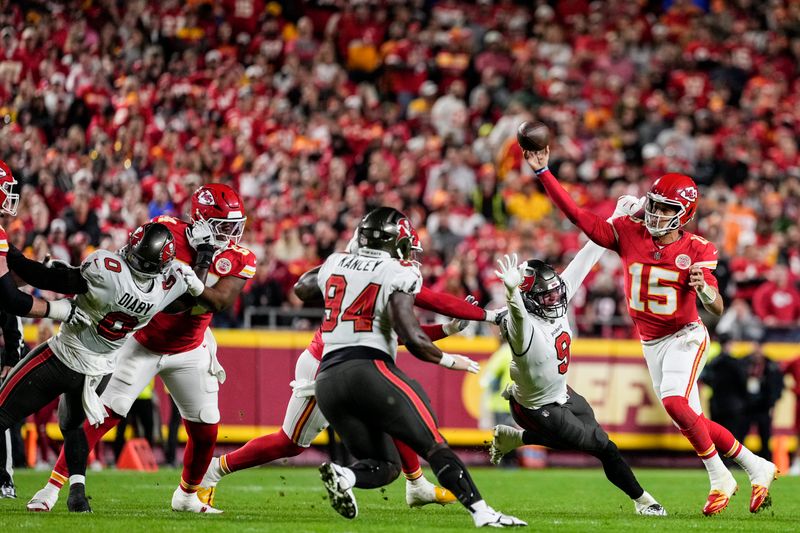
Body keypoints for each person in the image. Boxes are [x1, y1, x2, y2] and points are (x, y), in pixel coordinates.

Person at [527, 146, 776, 515]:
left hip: (685, 336)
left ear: (685, 215)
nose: (657, 214)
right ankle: (758, 466)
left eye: (666, 209)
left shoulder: (696, 248)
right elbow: (581, 218)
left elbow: (716, 306)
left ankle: (720, 477)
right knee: (692, 419)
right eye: (654, 204)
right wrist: (544, 172)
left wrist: (705, 288)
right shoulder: (629, 231)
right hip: (651, 342)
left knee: (675, 402)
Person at [200, 224, 504, 509]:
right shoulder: (377, 274)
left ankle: (417, 484)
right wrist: (485, 319)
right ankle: (214, 470)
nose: (411, 257)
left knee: (395, 411)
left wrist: (449, 330)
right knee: (289, 443)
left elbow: (395, 331)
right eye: (406, 248)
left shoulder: (366, 271)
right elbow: (427, 304)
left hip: (345, 362)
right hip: (328, 364)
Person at [28, 184, 257, 514]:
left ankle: (188, 496)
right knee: (105, 414)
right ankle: (51, 486)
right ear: (202, 220)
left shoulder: (238, 257)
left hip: (191, 347)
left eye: (236, 226)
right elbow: (135, 281)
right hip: (142, 342)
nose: (232, 235)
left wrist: (202, 262)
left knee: (207, 426)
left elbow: (219, 301)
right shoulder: (164, 234)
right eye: (224, 226)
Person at [298, 206, 526, 527]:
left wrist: (347, 261)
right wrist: (449, 359)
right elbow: (412, 335)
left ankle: (344, 475)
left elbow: (302, 288)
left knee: (385, 465)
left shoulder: (336, 262)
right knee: (432, 444)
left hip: (328, 380)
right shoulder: (396, 271)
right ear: (395, 243)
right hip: (368, 369)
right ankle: (482, 512)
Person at [0, 221, 209, 512]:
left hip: (64, 357)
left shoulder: (106, 267)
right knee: (73, 428)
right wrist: (205, 254)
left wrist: (7, 252)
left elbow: (52, 282)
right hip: (99, 371)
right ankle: (77, 495)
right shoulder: (167, 286)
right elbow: (192, 295)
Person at [489, 198, 666, 516]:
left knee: (590, 440)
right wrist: (512, 294)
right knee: (602, 446)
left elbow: (587, 256)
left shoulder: (552, 298)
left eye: (556, 292)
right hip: (535, 406)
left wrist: (614, 217)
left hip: (561, 393)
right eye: (547, 296)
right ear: (529, 300)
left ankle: (515, 440)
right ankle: (644, 501)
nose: (557, 298)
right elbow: (515, 316)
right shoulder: (523, 325)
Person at [738, 339, 784, 461]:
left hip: (764, 406)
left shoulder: (771, 365)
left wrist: (772, 404)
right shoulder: (743, 362)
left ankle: (766, 462)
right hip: (746, 405)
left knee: (765, 437)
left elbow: (777, 386)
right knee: (740, 436)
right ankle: (738, 462)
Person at [699, 334, 748, 440]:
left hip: (717, 404)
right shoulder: (736, 364)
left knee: (718, 438)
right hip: (733, 406)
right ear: (729, 344)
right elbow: (743, 383)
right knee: (733, 439)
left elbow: (704, 377)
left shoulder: (713, 363)